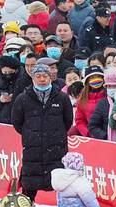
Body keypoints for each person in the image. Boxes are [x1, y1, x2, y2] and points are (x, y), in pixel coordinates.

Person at [11, 58, 72, 198]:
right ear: (32, 78)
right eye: (38, 76)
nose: (42, 79)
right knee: (28, 192)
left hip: (57, 151)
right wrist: (31, 134)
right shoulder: (22, 99)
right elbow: (17, 122)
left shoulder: (62, 98)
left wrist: (55, 134)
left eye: (45, 76)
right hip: (33, 151)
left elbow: (68, 121)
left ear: (50, 77)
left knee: (62, 191)